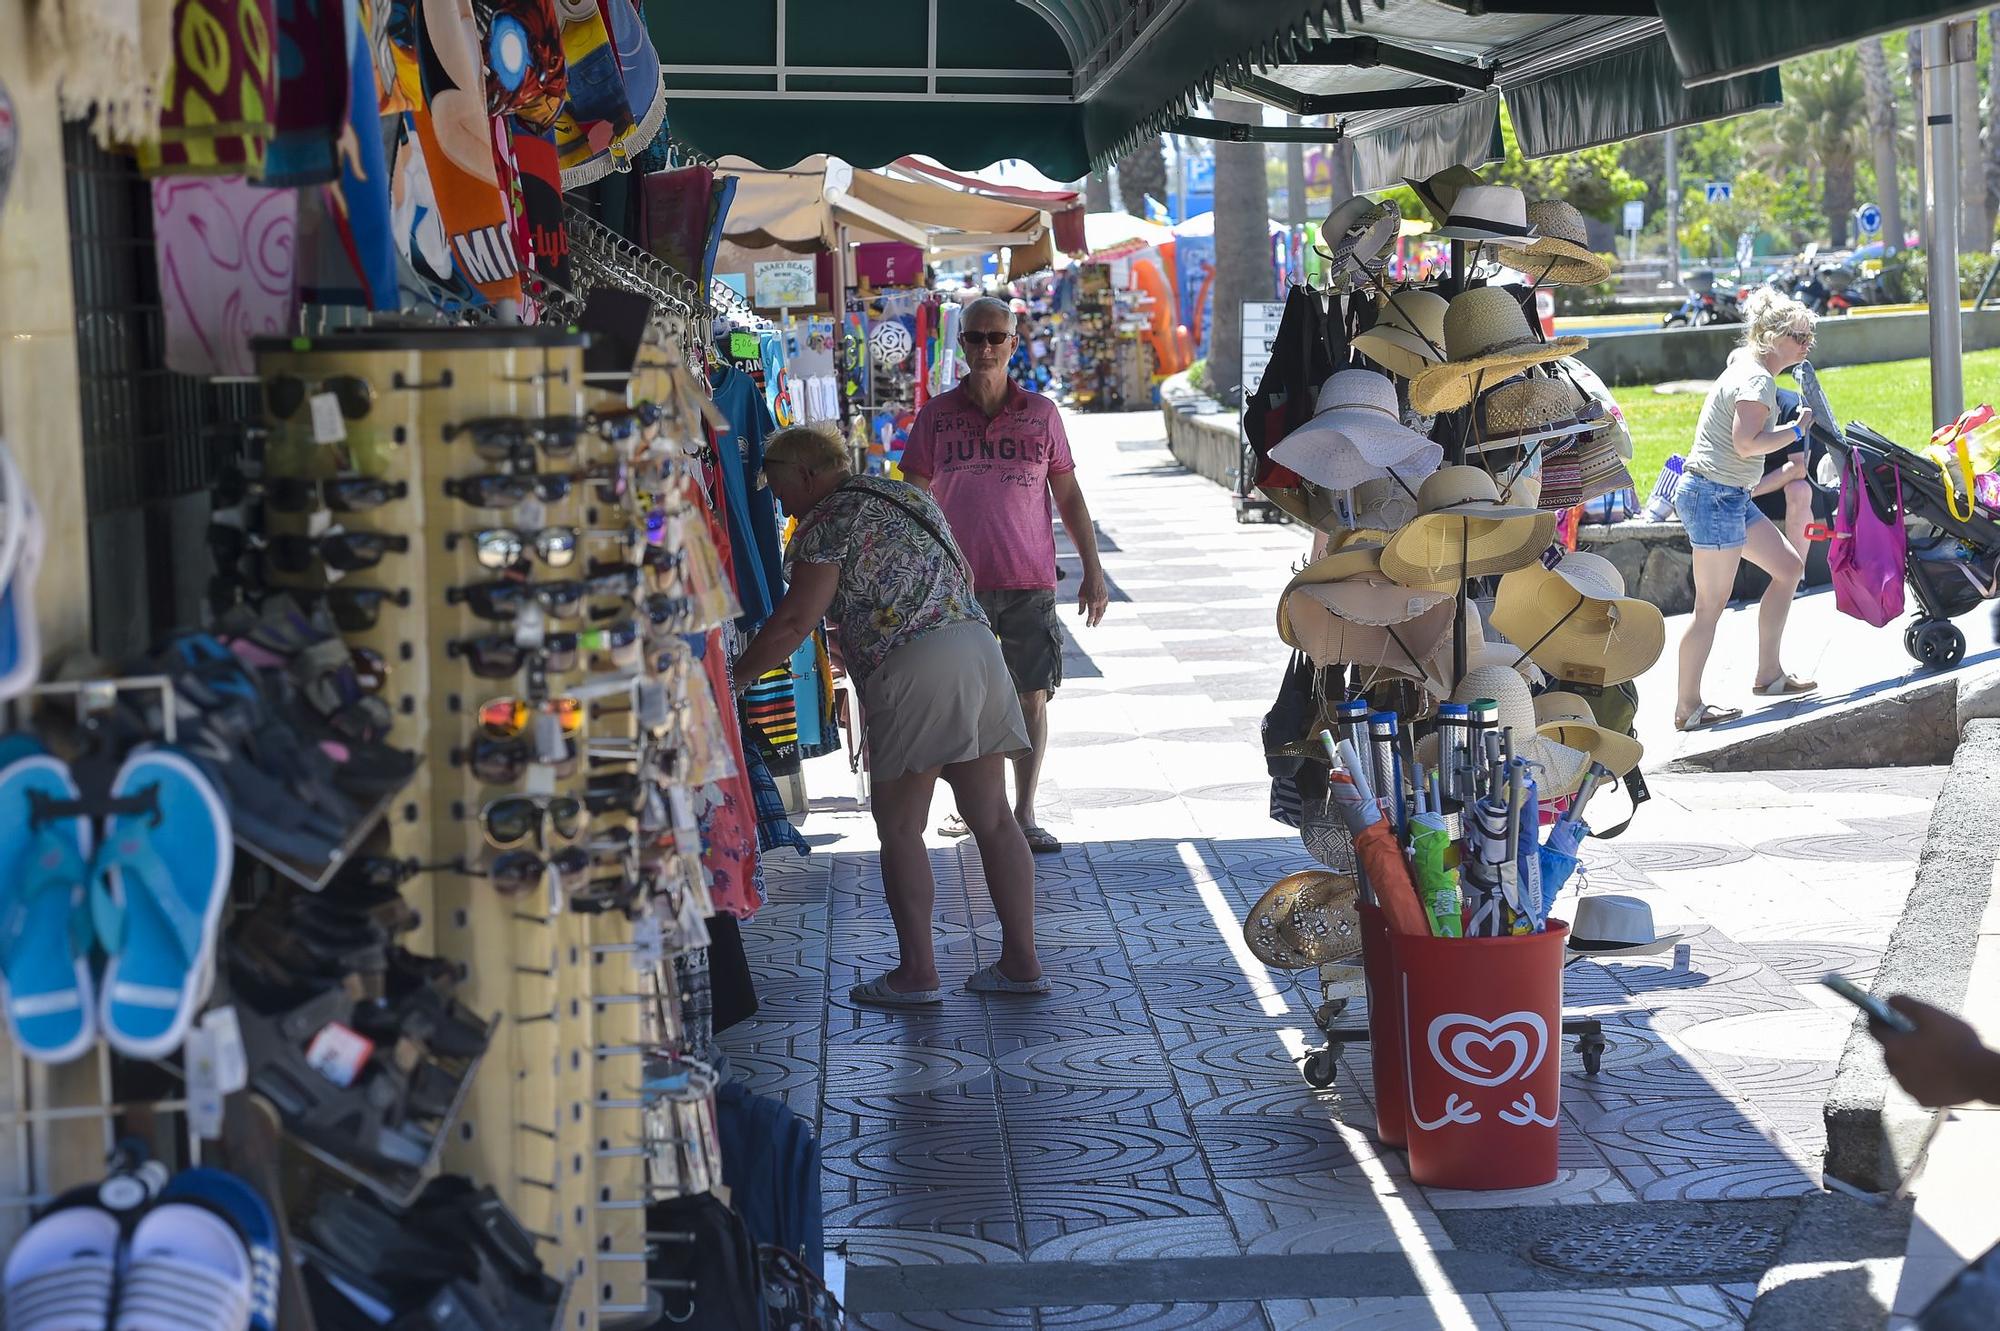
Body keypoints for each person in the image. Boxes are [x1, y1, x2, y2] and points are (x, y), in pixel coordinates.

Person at [734, 425, 1046, 1005]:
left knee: (901, 827)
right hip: (976, 650)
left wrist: (735, 679)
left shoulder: (824, 522)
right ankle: (1021, 962)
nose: (775, 500)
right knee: (994, 818)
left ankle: (918, 974)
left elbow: (794, 621)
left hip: (913, 666)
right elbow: (963, 577)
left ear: (805, 473)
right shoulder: (907, 495)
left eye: (776, 487)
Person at [903, 294, 1110, 854]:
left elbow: (1066, 492)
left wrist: (1092, 570)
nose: (987, 347)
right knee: (960, 703)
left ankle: (1023, 811)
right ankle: (969, 808)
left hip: (1029, 580)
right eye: (976, 337)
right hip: (954, 590)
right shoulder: (936, 417)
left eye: (998, 337)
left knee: (1030, 698)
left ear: (1014, 345)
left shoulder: (1042, 414)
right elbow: (913, 498)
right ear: (963, 345)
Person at [1674, 288, 1819, 732]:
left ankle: (1769, 676)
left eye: (1810, 336)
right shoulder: (1756, 380)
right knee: (1709, 609)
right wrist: (1795, 431)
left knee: (1789, 568)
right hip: (1713, 495)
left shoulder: (1749, 365)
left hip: (1728, 494)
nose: (1807, 344)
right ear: (1773, 337)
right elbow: (1746, 443)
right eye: (1799, 336)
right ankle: (1687, 708)